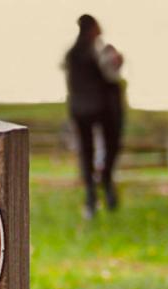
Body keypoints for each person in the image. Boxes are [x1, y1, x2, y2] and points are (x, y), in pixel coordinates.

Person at [64, 14, 124, 219]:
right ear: (93, 29)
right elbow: (111, 76)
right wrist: (118, 63)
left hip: (79, 109)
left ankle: (91, 196)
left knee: (86, 151)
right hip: (103, 108)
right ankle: (105, 184)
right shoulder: (99, 51)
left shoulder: (71, 54)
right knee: (111, 145)